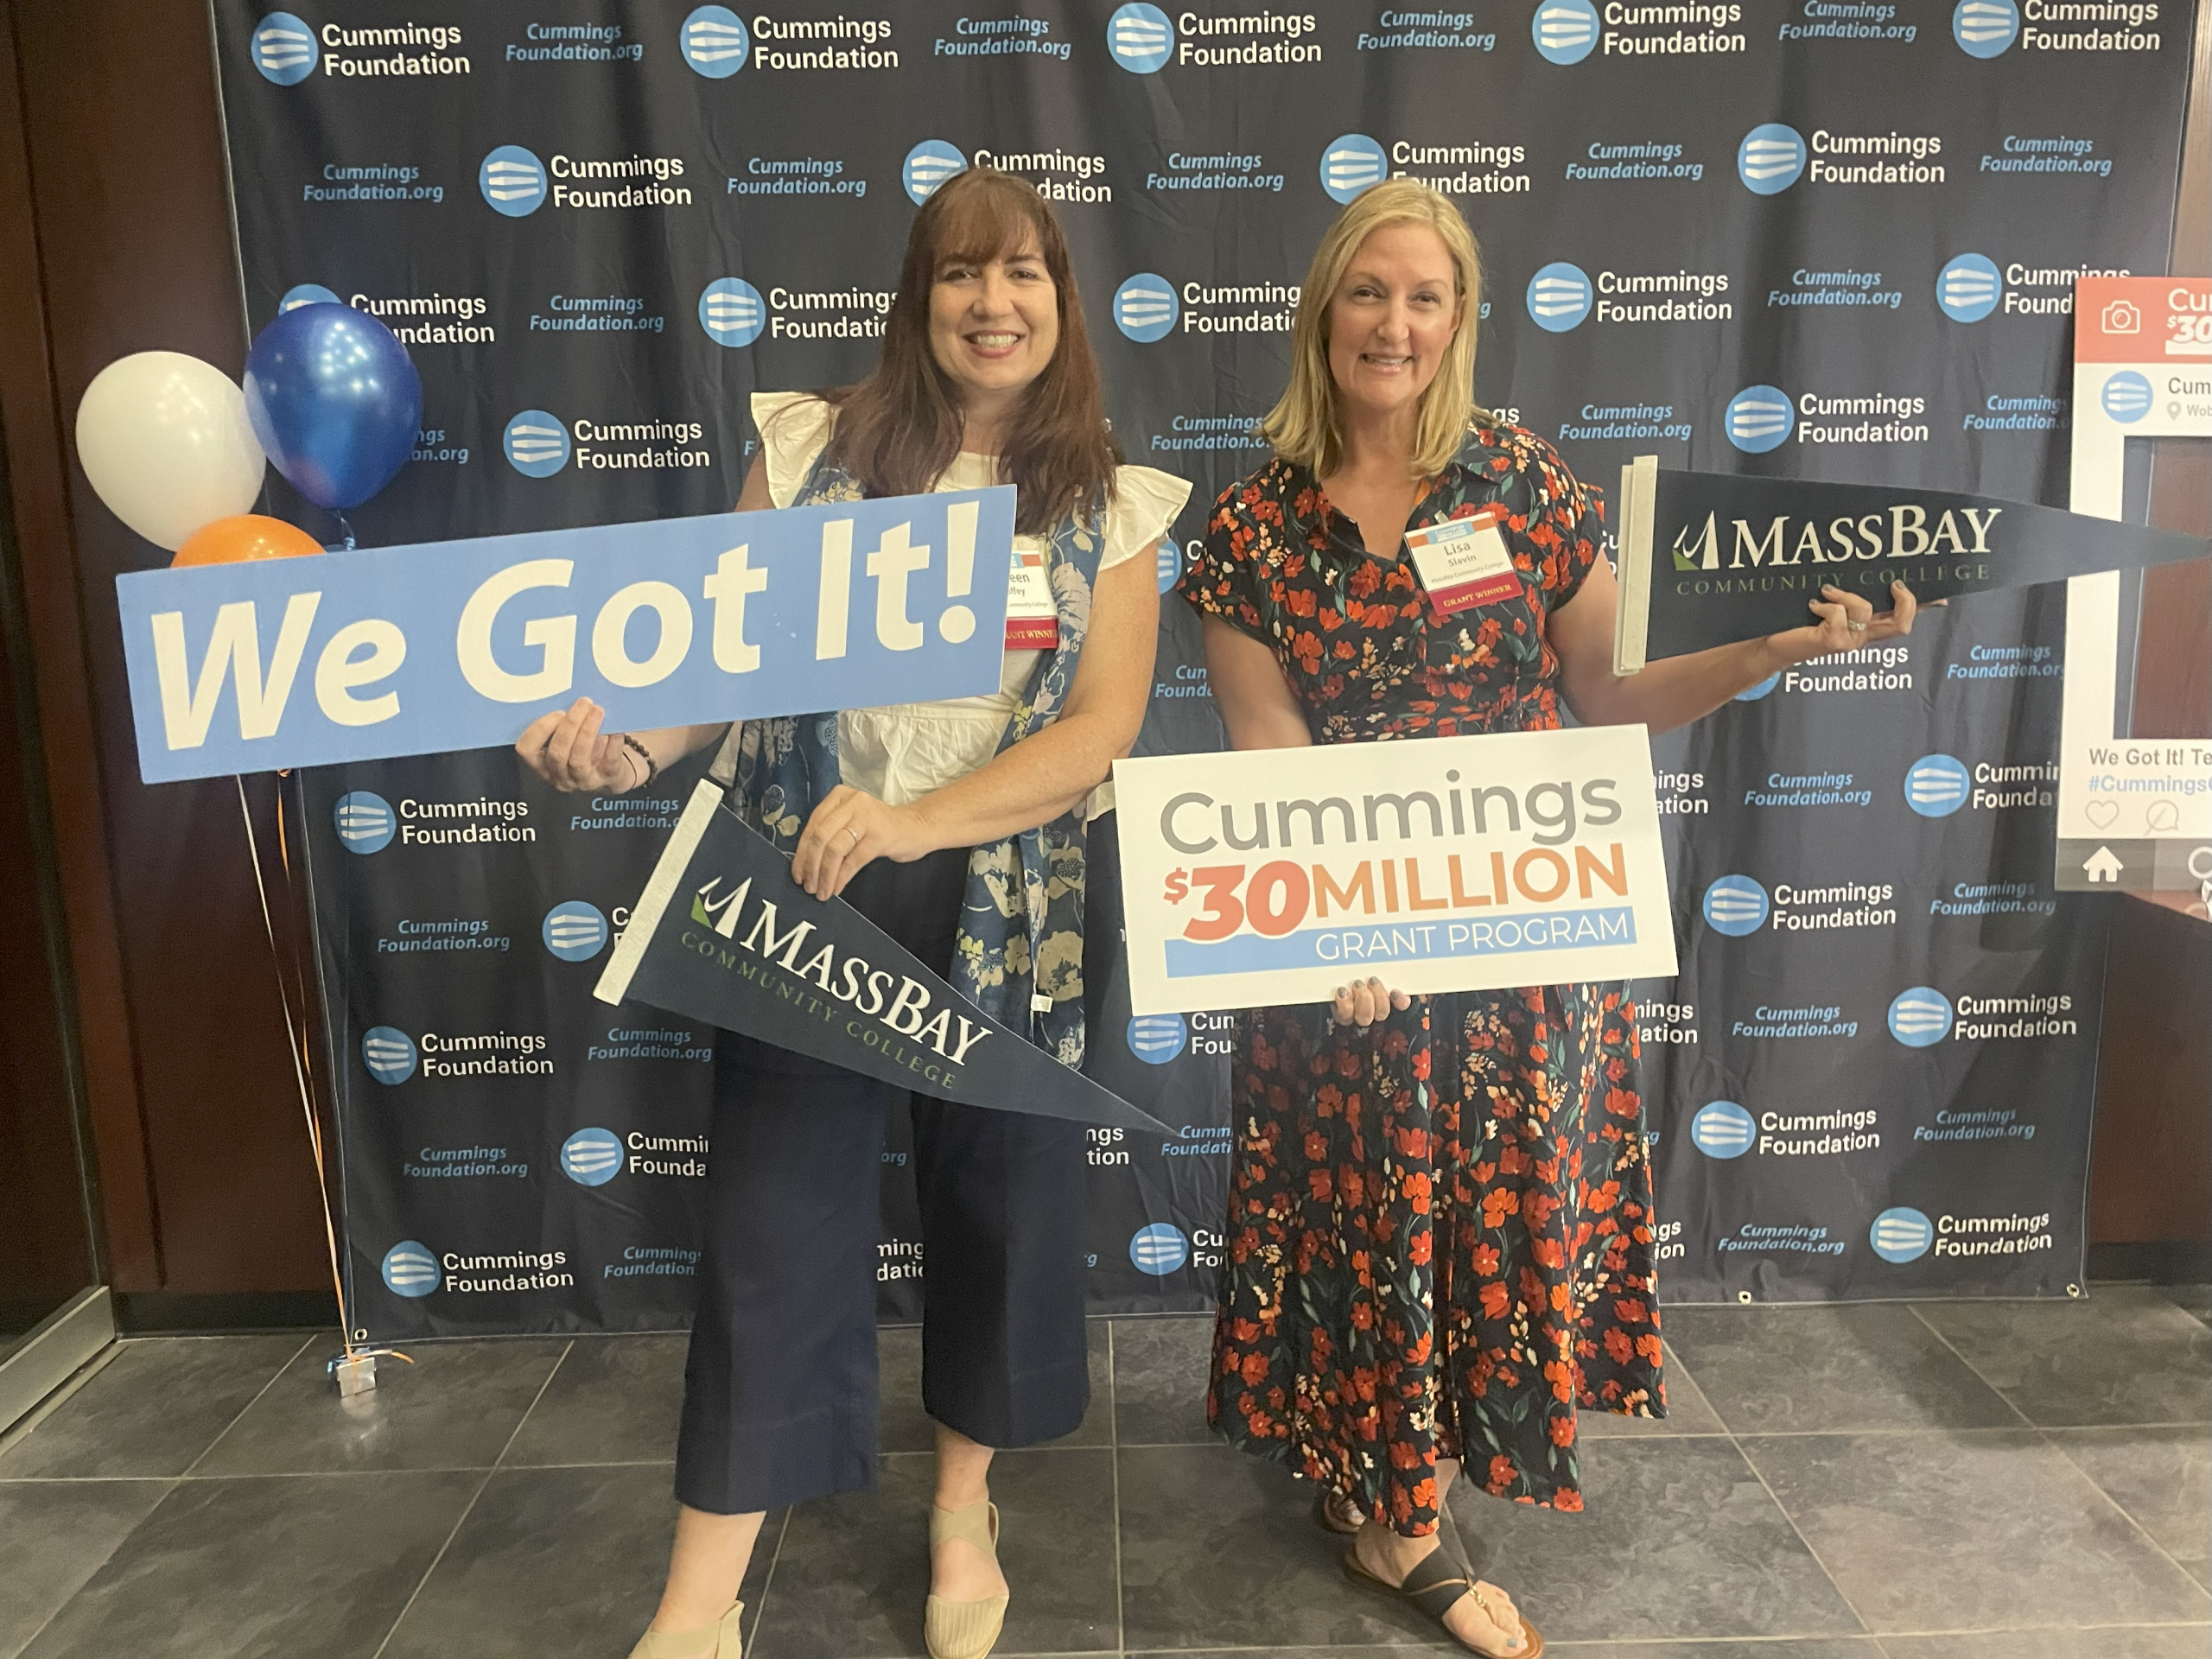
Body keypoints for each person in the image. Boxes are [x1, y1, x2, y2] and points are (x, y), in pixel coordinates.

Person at [1178, 180, 1923, 1659]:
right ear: (1323, 310)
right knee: (1367, 1212)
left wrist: (1777, 644)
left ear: (1461, 319)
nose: (1395, 323)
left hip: (1519, 946)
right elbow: (1271, 759)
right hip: (1354, 955)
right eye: (1369, 291)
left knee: (1486, 1210)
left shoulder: (1518, 480)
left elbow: (1612, 690)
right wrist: (1337, 938)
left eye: (1425, 297)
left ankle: (1401, 1479)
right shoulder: (1251, 525)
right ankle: (1395, 1524)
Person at [516, 168, 1190, 1659]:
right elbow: (714, 666)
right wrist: (625, 750)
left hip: (1012, 899)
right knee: (772, 1225)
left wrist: (922, 821)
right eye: (960, 273)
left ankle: (963, 1511)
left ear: (1064, 301)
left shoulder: (1109, 502)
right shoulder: (810, 450)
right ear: (918, 297)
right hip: (800, 884)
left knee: (1000, 1210)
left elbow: (1100, 730)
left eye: (1022, 274)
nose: (993, 304)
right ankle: (699, 1599)